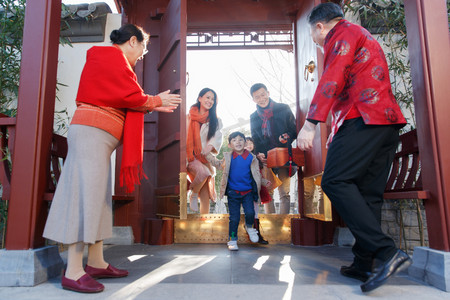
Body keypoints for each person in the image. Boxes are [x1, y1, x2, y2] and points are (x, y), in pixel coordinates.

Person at [43, 24, 182, 293]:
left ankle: (96, 261)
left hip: (99, 137)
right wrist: (153, 100)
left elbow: (129, 97)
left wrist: (150, 101)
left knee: (98, 197)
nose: (143, 53)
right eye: (143, 46)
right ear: (132, 41)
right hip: (92, 133)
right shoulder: (105, 56)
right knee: (85, 195)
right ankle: (73, 270)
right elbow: (128, 96)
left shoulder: (115, 62)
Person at [297, 3, 411, 293]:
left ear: (320, 27)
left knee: (334, 181)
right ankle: (364, 263)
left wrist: (311, 124)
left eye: (315, 39)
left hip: (363, 119)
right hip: (385, 122)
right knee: (368, 194)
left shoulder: (342, 33)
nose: (320, 46)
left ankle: (387, 252)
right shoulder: (361, 34)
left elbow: (332, 77)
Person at [208, 132, 266, 251]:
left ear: (245, 143)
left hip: (248, 192)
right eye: (234, 140)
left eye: (240, 140)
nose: (238, 142)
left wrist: (264, 182)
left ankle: (249, 227)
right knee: (234, 218)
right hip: (233, 193)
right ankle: (232, 239)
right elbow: (218, 165)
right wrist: (207, 155)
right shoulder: (228, 157)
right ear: (229, 145)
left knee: (250, 213)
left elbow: (256, 175)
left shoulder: (251, 157)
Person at [249, 83, 297, 214]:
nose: (261, 98)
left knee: (284, 192)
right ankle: (270, 226)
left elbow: (294, 130)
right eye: (257, 97)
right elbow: (255, 139)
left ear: (268, 93)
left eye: (263, 94)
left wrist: (287, 136)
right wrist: (258, 154)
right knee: (267, 193)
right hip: (266, 159)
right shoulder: (253, 117)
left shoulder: (283, 108)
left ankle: (283, 225)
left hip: (283, 156)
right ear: (253, 99)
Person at [186, 88, 223, 214]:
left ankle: (204, 220)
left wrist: (210, 146)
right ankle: (193, 193)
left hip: (204, 157)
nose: (210, 101)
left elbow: (218, 135)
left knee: (205, 191)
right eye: (207, 97)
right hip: (189, 157)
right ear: (200, 98)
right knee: (203, 174)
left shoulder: (215, 120)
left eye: (212, 99)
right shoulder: (188, 117)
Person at [244, 137, 270, 244]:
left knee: (255, 210)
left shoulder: (255, 158)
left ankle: (256, 233)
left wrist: (263, 182)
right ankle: (246, 231)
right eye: (246, 143)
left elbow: (258, 175)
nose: (249, 145)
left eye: (251, 143)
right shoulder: (241, 157)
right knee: (246, 210)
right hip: (244, 188)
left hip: (255, 188)